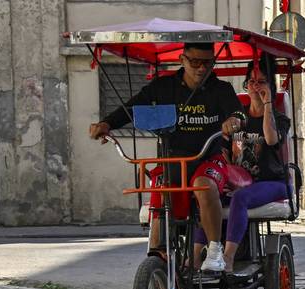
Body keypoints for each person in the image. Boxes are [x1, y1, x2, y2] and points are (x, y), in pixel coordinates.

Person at [89, 42, 245, 272]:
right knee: (159, 188)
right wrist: (107, 123)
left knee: (204, 185)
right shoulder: (163, 87)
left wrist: (234, 121)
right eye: (195, 62)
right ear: (182, 60)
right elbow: (132, 108)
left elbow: (238, 112)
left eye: (208, 63)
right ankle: (157, 250)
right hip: (173, 160)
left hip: (209, 159)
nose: (201, 69)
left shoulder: (221, 89)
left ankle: (214, 251)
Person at [190, 62, 292, 272]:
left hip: (272, 182)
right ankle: (195, 258)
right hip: (238, 182)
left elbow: (272, 140)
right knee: (206, 195)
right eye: (251, 82)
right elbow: (224, 153)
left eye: (261, 82)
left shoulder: (280, 119)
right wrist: (229, 180)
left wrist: (267, 105)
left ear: (270, 87)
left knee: (240, 198)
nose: (255, 86)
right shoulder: (238, 119)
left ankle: (228, 258)